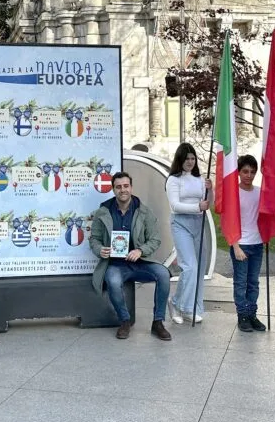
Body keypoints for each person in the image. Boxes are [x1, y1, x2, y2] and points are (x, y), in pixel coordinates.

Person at [89, 172, 171, 341]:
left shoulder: (144, 211)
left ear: (131, 188)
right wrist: (100, 250)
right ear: (113, 189)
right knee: (112, 280)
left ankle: (158, 322)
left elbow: (155, 239)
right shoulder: (102, 212)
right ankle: (125, 321)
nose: (122, 190)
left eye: (126, 186)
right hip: (115, 264)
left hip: (141, 262)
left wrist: (140, 250)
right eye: (118, 187)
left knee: (163, 274)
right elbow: (94, 239)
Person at [165, 143, 212, 324]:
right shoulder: (173, 180)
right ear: (180, 159)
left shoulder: (199, 179)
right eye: (187, 158)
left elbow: (208, 204)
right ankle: (175, 302)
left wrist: (210, 189)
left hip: (198, 224)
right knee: (189, 266)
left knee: (199, 268)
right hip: (181, 223)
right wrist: (196, 207)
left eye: (192, 158)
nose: (190, 162)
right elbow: (175, 205)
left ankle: (191, 307)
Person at [229, 155, 266, 333]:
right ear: (238, 172)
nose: (248, 175)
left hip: (257, 243)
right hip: (241, 244)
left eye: (252, 172)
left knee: (253, 282)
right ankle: (242, 315)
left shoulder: (260, 192)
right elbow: (228, 220)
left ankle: (252, 313)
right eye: (245, 171)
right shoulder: (233, 193)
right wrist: (235, 246)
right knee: (240, 282)